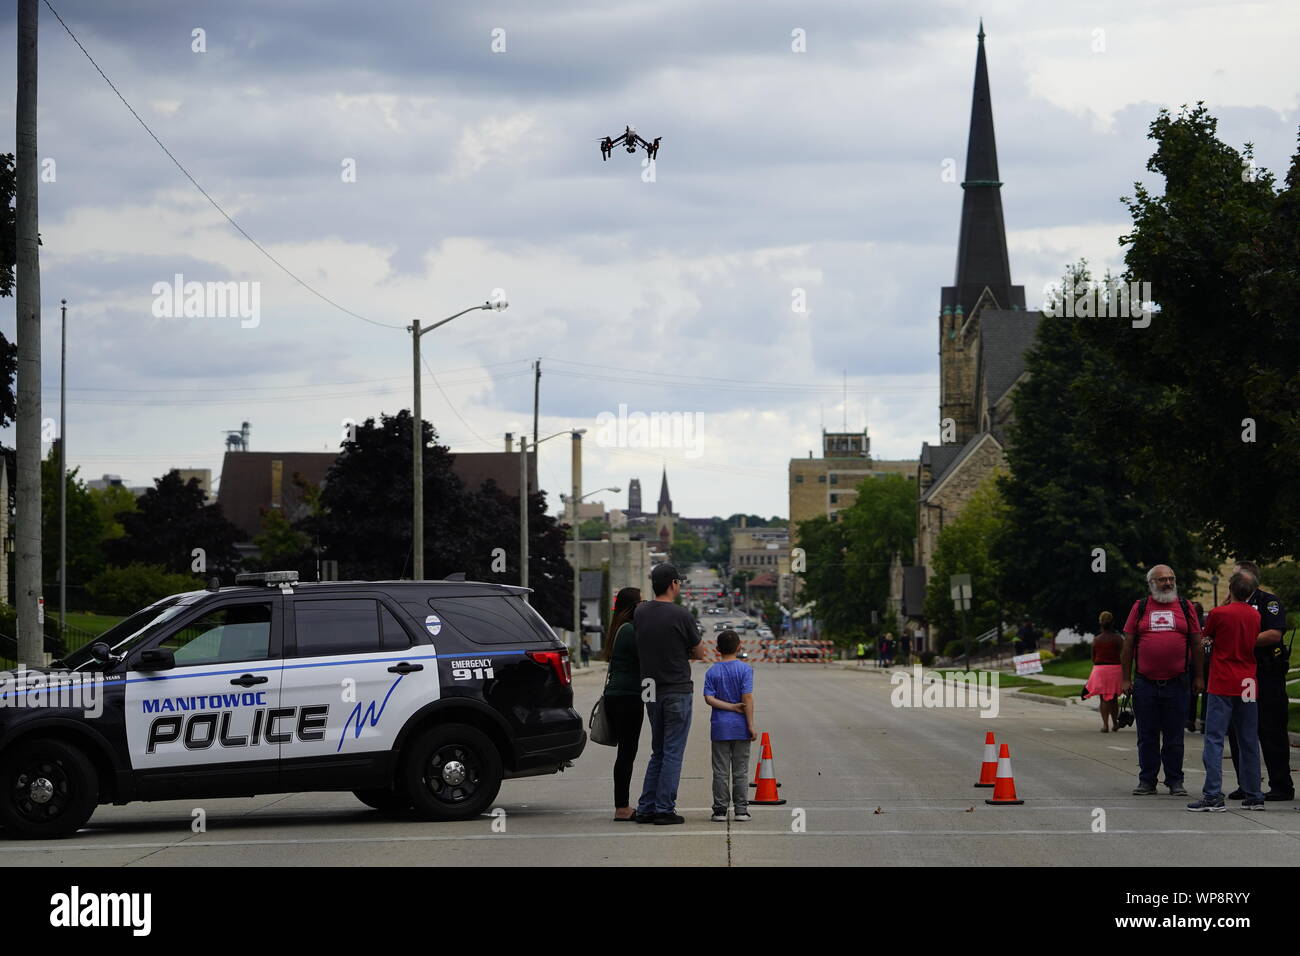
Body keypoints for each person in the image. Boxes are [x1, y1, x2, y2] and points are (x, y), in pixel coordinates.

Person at [1120, 564, 1204, 796]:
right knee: (1146, 735)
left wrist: (1199, 676)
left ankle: (1175, 781)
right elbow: (1127, 645)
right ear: (1151, 584)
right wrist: (1125, 679)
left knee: (1175, 737)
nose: (1168, 583)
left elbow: (1197, 643)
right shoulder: (1140, 607)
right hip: (1145, 684)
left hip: (1178, 683)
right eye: (1162, 580)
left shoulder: (1186, 607)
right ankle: (1147, 780)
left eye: (1171, 578)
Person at [634, 564, 707, 825]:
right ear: (673, 584)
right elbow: (700, 653)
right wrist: (682, 651)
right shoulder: (682, 615)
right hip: (676, 688)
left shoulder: (640, 612)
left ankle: (646, 808)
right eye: (679, 582)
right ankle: (664, 809)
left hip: (650, 690)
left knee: (659, 751)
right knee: (673, 751)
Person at [1187, 571, 1264, 811]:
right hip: (1248, 681)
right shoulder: (1255, 614)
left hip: (1223, 680)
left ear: (1230, 589)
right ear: (1251, 592)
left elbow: (1207, 637)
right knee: (1249, 738)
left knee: (1215, 738)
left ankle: (1212, 794)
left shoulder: (1219, 613)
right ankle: (1254, 793)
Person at [1225, 560, 1293, 801]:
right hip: (1240, 676)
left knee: (1271, 729)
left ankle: (1281, 785)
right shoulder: (1229, 604)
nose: (1230, 582)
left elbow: (1275, 633)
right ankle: (1246, 783)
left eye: (1235, 577)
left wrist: (1241, 640)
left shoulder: (1268, 602)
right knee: (1239, 730)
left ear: (1250, 579)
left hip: (1266, 676)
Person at [703, 629, 756, 822]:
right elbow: (747, 698)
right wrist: (750, 724)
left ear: (717, 649)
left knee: (720, 771)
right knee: (741, 770)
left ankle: (719, 810)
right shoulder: (745, 670)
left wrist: (729, 707)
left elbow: (709, 698)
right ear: (739, 646)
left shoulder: (712, 671)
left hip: (719, 727)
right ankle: (741, 810)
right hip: (741, 727)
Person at [602, 587, 644, 822]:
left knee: (625, 752)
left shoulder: (619, 627)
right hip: (628, 695)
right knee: (627, 752)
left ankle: (622, 804)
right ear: (633, 606)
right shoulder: (629, 630)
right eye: (641, 602)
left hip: (617, 695)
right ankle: (622, 807)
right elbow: (645, 655)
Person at [1083, 611, 1124, 732]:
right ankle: (1115, 723)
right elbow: (1124, 654)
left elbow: (1093, 657)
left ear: (1100, 623)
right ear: (1112, 622)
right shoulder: (1118, 638)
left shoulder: (1096, 639)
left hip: (1100, 669)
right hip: (1114, 669)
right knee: (1114, 699)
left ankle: (1105, 725)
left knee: (1103, 698)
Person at [1187, 601, 1209, 733]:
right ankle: (1203, 721)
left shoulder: (1190, 624)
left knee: (1192, 692)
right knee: (1205, 692)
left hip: (1194, 661)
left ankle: (1191, 719)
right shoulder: (1206, 622)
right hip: (1207, 660)